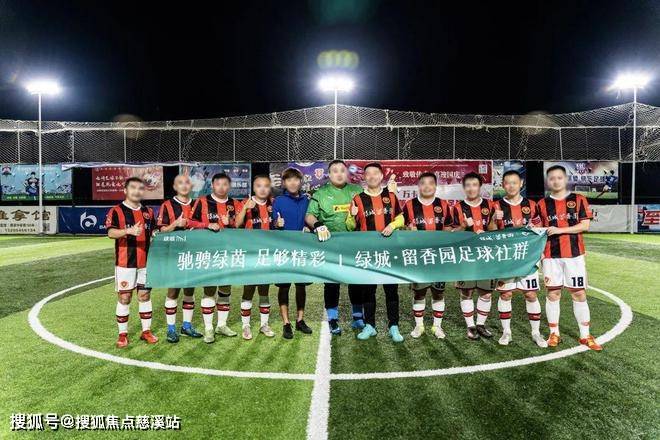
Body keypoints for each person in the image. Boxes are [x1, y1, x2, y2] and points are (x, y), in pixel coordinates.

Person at [537, 165, 602, 351]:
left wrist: (560, 230)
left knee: (579, 293)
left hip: (574, 255)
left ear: (565, 179)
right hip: (550, 255)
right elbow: (538, 230)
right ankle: (554, 333)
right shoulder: (541, 204)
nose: (556, 181)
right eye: (552, 178)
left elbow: (585, 226)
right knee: (553, 293)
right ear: (548, 181)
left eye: (559, 177)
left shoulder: (579, 199)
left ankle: (585, 335)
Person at [389, 172, 454, 339]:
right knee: (419, 292)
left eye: (430, 183)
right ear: (418, 186)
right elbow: (402, 228)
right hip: (418, 257)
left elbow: (448, 228)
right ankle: (419, 326)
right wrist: (409, 231)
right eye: (423, 183)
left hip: (438, 257)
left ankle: (437, 326)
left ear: (435, 186)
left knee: (438, 292)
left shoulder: (444, 205)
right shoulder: (409, 205)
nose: (427, 186)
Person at [305, 160, 364, 336]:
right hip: (330, 246)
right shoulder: (321, 193)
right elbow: (309, 215)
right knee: (331, 283)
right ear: (329, 175)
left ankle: (358, 316)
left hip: (354, 245)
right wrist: (318, 225)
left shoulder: (357, 191)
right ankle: (332, 318)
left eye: (342, 170)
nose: (339, 174)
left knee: (356, 280)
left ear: (347, 173)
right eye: (335, 171)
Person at [345, 162, 403, 342]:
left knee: (391, 290)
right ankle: (370, 325)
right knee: (368, 291)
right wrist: (352, 215)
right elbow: (350, 227)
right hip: (368, 252)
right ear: (364, 177)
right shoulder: (357, 199)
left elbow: (401, 218)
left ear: (381, 176)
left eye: (375, 173)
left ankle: (394, 326)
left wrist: (393, 225)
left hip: (389, 251)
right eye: (368, 173)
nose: (371, 176)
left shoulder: (391, 196)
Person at [491, 170, 547, 348]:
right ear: (503, 185)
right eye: (507, 182)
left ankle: (536, 333)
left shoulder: (531, 205)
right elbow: (490, 232)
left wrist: (540, 251)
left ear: (521, 183)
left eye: (514, 182)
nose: (511, 186)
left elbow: (539, 230)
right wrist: (493, 220)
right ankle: (506, 332)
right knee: (506, 294)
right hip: (505, 258)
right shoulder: (496, 205)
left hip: (527, 258)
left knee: (530, 294)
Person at [105, 177, 158, 348]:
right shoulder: (116, 211)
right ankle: (122, 335)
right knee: (125, 297)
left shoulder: (148, 212)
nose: (137, 191)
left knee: (144, 296)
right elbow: (111, 233)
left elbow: (154, 230)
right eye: (133, 187)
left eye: (140, 188)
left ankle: (146, 331)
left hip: (146, 263)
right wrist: (129, 231)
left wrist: (155, 234)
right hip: (125, 263)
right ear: (125, 190)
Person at [189, 173, 240, 343]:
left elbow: (240, 226)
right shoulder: (202, 201)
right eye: (218, 184)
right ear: (212, 185)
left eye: (225, 184)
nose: (221, 187)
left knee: (225, 288)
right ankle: (208, 328)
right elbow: (190, 222)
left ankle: (221, 325)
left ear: (229, 186)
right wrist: (207, 225)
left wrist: (230, 222)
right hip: (209, 252)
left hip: (228, 252)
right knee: (209, 289)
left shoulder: (234, 203)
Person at [157, 174, 203, 343]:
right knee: (173, 291)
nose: (184, 185)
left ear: (191, 186)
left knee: (190, 290)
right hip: (174, 255)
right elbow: (161, 231)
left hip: (194, 254)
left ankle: (186, 326)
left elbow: (203, 226)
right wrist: (175, 224)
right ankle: (171, 329)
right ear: (175, 187)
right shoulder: (167, 205)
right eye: (180, 183)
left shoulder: (198, 204)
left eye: (187, 183)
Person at [453, 172, 497, 340]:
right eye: (468, 185)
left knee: (486, 293)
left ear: (480, 187)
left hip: (486, 255)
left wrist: (489, 229)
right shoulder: (457, 208)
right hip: (466, 256)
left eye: (474, 185)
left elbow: (494, 231)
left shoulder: (490, 205)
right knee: (467, 292)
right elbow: (452, 234)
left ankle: (481, 325)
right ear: (464, 188)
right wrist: (464, 226)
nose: (471, 188)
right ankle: (470, 326)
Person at [272, 168, 313, 339]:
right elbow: (273, 223)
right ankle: (286, 322)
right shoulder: (279, 200)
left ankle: (300, 320)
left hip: (302, 249)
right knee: (284, 286)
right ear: (284, 183)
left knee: (301, 285)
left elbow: (311, 219)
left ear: (300, 182)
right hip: (283, 249)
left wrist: (309, 228)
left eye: (296, 179)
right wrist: (277, 223)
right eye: (289, 180)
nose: (293, 183)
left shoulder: (307, 200)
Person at [235, 175, 276, 340]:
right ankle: (245, 326)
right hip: (250, 254)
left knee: (264, 290)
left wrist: (278, 224)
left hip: (267, 254)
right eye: (259, 186)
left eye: (266, 186)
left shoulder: (272, 203)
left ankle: (264, 324)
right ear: (254, 188)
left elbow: (275, 226)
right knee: (249, 289)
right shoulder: (246, 203)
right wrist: (245, 209)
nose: (263, 189)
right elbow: (237, 224)